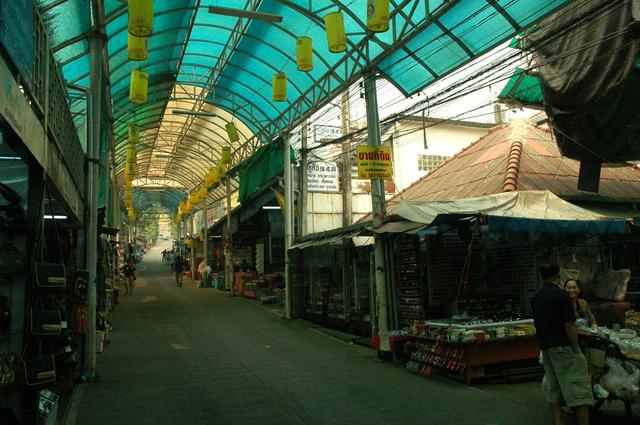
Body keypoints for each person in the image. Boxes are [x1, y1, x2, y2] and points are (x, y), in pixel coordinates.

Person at [531, 264, 593, 425]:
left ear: (541, 276)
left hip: (547, 349)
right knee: (578, 389)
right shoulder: (561, 296)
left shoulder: (536, 297)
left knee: (554, 389)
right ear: (558, 276)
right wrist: (576, 348)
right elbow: (569, 325)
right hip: (564, 348)